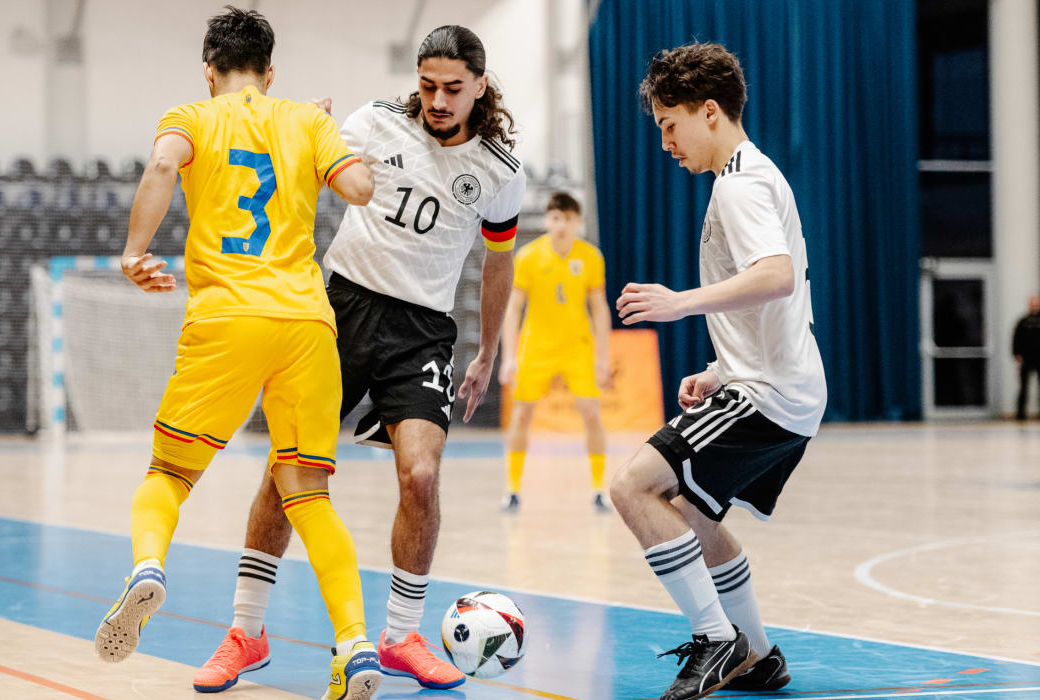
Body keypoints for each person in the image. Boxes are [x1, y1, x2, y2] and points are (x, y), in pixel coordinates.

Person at [196, 24, 525, 692]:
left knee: (421, 477)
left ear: (479, 87)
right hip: (341, 312)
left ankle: (401, 636)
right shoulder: (374, 122)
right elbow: (302, 174)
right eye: (428, 85)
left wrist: (489, 350)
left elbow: (498, 264)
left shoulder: (500, 171)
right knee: (287, 473)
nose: (438, 100)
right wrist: (302, 131)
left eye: (453, 88)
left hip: (423, 332)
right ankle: (246, 631)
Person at [90, 9, 381, 700]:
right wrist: (320, 135)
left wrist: (134, 252)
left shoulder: (190, 116)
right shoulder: (307, 120)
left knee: (168, 472)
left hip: (227, 319)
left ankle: (148, 568)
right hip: (307, 325)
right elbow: (361, 191)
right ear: (270, 71)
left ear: (208, 70)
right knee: (310, 497)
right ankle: (355, 644)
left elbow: (163, 163)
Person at [612, 43, 825, 700]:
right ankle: (756, 656)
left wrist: (680, 303)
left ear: (709, 111)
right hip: (779, 387)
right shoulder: (751, 175)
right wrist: (719, 368)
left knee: (632, 488)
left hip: (769, 394)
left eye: (669, 125)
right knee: (690, 513)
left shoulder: (739, 184)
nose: (666, 143)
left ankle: (715, 637)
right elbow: (776, 298)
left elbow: (776, 275)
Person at [498, 191, 612, 512]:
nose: (562, 225)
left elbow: (600, 308)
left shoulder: (591, 257)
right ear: (548, 220)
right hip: (537, 347)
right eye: (556, 218)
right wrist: (509, 357)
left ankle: (599, 489)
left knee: (592, 414)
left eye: (569, 218)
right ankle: (513, 489)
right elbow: (513, 308)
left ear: (578, 222)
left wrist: (603, 358)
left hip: (577, 347)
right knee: (522, 414)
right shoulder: (528, 256)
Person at [1012, 294, 1040, 420]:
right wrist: (1016, 354)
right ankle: (1020, 413)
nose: (1035, 307)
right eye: (1033, 304)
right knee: (1023, 387)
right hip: (1027, 358)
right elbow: (1016, 339)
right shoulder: (1023, 322)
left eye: (1037, 304)